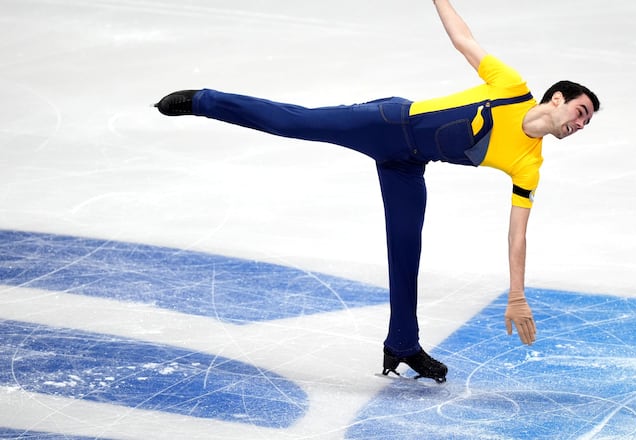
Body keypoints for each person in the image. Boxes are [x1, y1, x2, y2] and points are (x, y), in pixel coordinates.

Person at [154, 0, 600, 383]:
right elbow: (463, 39)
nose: (579, 125)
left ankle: (402, 344)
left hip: (407, 167)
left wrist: (516, 294)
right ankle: (203, 101)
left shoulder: (530, 163)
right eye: (580, 111)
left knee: (406, 251)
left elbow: (517, 234)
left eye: (586, 123)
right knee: (297, 122)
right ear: (557, 97)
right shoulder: (511, 87)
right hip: (386, 123)